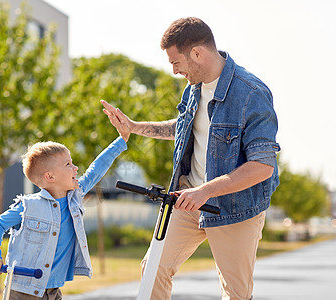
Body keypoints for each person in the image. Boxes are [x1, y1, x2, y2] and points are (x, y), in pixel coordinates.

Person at [102, 17, 280, 300]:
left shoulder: (252, 93)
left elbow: (262, 166)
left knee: (235, 293)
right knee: (153, 269)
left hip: (235, 208)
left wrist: (205, 191)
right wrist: (135, 127)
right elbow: (185, 127)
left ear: (197, 53)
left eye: (176, 63)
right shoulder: (193, 88)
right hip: (187, 201)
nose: (174, 71)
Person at [0, 105, 130, 300]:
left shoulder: (75, 195)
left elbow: (96, 169)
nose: (76, 168)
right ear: (50, 176)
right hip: (22, 291)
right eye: (68, 164)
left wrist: (122, 140)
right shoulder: (28, 206)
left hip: (53, 292)